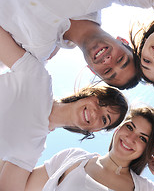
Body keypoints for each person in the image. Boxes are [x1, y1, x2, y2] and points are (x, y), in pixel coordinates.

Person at [0, 27, 128, 190]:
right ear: (89, 94)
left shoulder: (33, 147)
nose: (96, 112)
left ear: (95, 130)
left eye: (105, 119)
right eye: (101, 102)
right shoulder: (39, 78)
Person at [0, 0, 149, 89]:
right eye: (120, 59)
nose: (108, 61)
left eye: (108, 71)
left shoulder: (35, 50)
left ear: (92, 70)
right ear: (123, 41)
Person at [25, 107, 154, 191]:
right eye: (129, 127)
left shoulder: (146, 188)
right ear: (117, 129)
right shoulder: (72, 157)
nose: (131, 138)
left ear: (147, 149)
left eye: (142, 138)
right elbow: (18, 185)